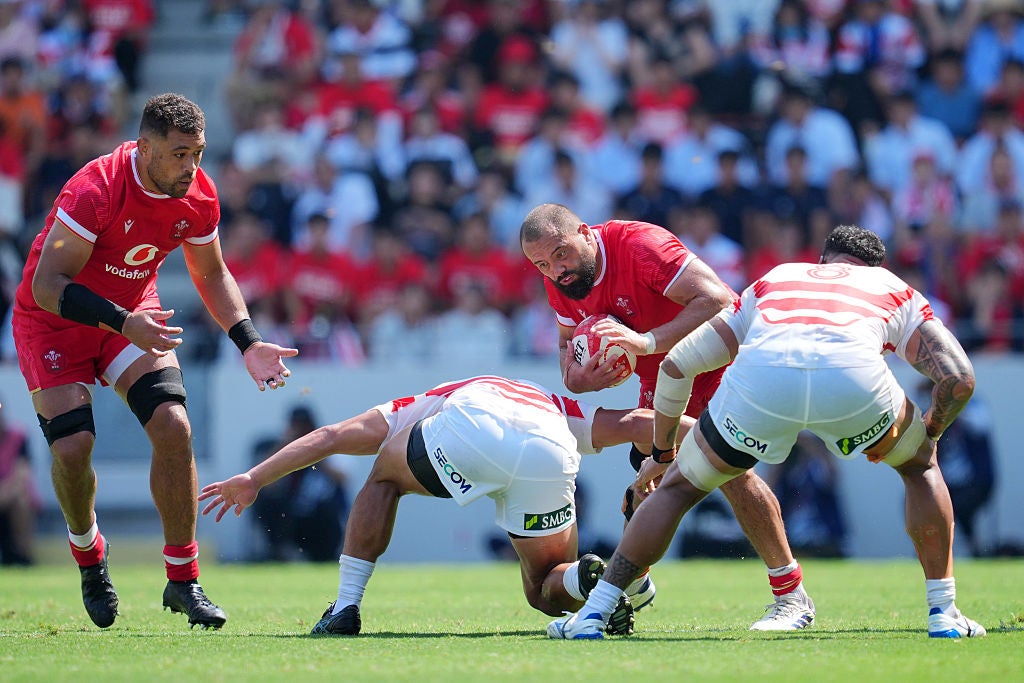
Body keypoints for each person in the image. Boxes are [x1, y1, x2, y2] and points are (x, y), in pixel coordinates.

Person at [550, 225, 988, 640]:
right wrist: (927, 434)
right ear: (871, 269)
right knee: (919, 469)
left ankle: (595, 611)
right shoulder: (890, 287)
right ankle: (943, 612)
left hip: (763, 383)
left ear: (821, 261)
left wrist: (663, 455)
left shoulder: (779, 276)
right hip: (853, 382)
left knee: (677, 488)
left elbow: (676, 364)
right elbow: (959, 379)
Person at [10, 93, 298, 630]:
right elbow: (48, 287)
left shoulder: (198, 197)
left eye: (198, 153)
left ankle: (183, 581)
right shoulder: (94, 189)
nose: (191, 167)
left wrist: (249, 341)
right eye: (179, 154)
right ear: (143, 147)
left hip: (129, 315)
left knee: (173, 425)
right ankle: (89, 554)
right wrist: (123, 322)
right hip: (54, 321)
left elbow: (211, 275)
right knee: (73, 447)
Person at [200, 375, 696, 635]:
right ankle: (587, 577)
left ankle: (346, 606)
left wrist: (254, 478)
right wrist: (713, 439)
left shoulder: (440, 396)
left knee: (383, 474)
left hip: (471, 431)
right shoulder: (555, 404)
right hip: (549, 449)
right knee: (546, 590)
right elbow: (637, 421)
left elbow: (331, 437)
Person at [520, 203, 815, 631]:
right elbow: (569, 349)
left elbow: (718, 301)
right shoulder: (562, 282)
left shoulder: (639, 246)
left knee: (728, 470)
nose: (557, 270)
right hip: (664, 382)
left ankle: (792, 597)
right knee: (647, 486)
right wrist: (582, 379)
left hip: (720, 362)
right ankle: (629, 590)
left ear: (585, 232)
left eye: (561, 254)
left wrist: (644, 341)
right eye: (542, 265)